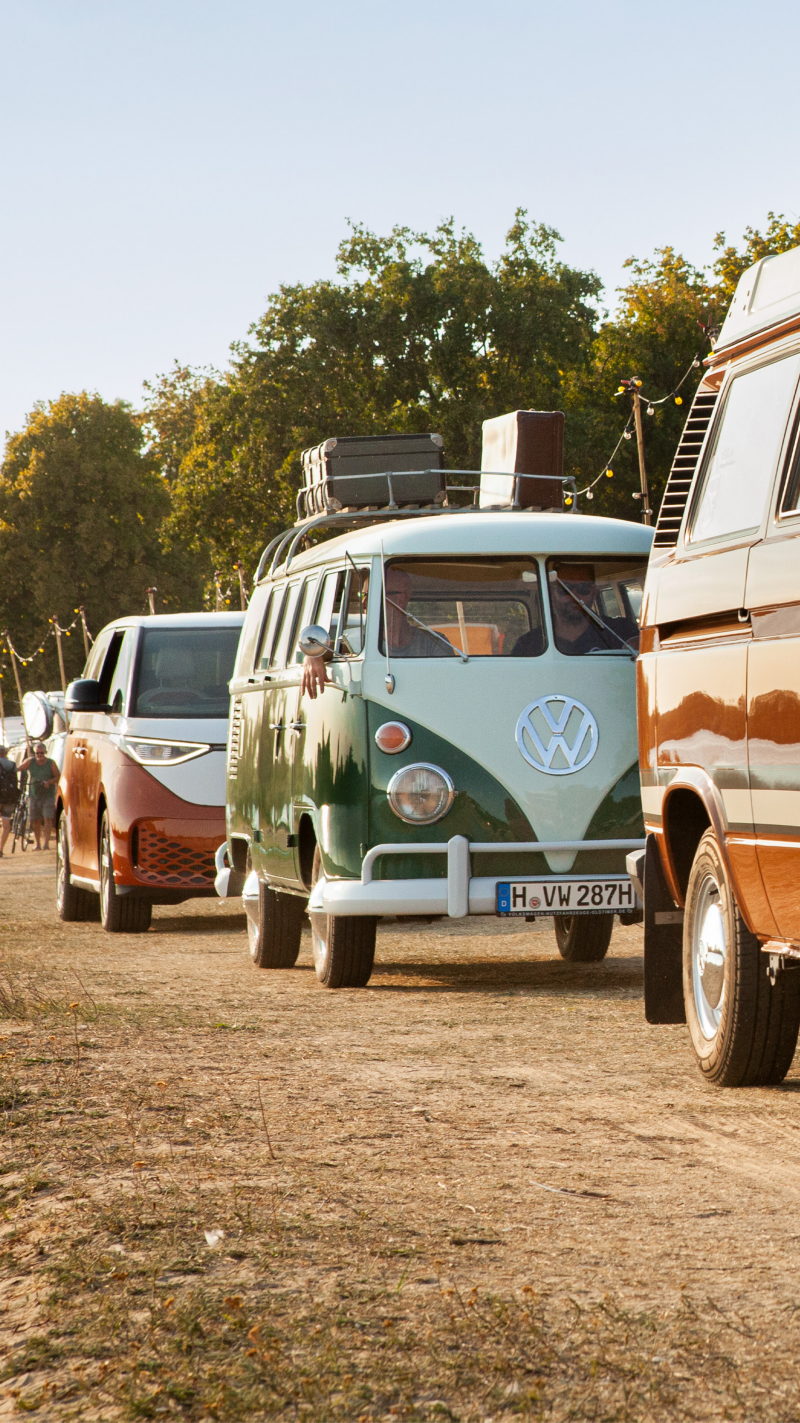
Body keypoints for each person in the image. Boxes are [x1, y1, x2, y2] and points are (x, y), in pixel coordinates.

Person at [301, 566, 454, 700]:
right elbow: (334, 650)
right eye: (363, 595)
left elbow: (447, 686)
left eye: (372, 595)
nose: (363, 603)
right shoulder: (357, 642)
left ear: (401, 599)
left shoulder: (433, 643)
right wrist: (313, 655)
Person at [18, 741, 59, 850]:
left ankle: (46, 843)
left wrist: (49, 782)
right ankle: (37, 844)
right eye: (37, 753)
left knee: (47, 818)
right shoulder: (30, 762)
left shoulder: (51, 763)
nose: (39, 755)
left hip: (48, 794)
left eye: (41, 753)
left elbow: (58, 776)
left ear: (45, 752)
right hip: (34, 794)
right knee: (35, 819)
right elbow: (18, 769)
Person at [0, 745, 18, 857]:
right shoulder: (12, 765)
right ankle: (0, 849)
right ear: (6, 753)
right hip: (9, 798)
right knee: (6, 825)